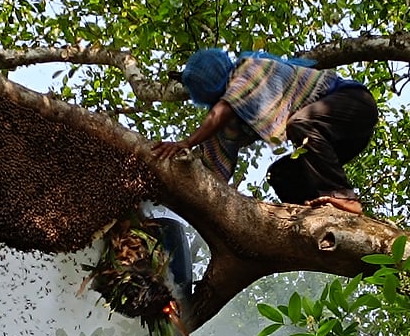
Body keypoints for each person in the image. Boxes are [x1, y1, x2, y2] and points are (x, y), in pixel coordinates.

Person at [152, 48, 378, 214]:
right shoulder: (232, 113)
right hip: (335, 142)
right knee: (280, 175)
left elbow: (225, 107)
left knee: (299, 125)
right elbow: (213, 166)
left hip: (354, 106)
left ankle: (344, 198)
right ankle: (319, 216)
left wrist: (187, 142)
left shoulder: (251, 69)